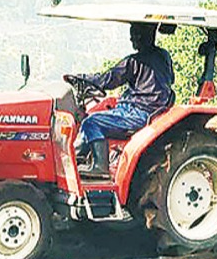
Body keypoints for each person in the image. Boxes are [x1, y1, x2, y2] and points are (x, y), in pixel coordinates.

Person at [63, 22, 175, 177]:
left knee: (91, 122)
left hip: (138, 113)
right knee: (95, 116)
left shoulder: (135, 61)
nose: (131, 40)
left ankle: (96, 166)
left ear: (141, 36)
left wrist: (84, 78)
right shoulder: (164, 56)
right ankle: (81, 159)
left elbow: (108, 79)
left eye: (133, 36)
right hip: (153, 111)